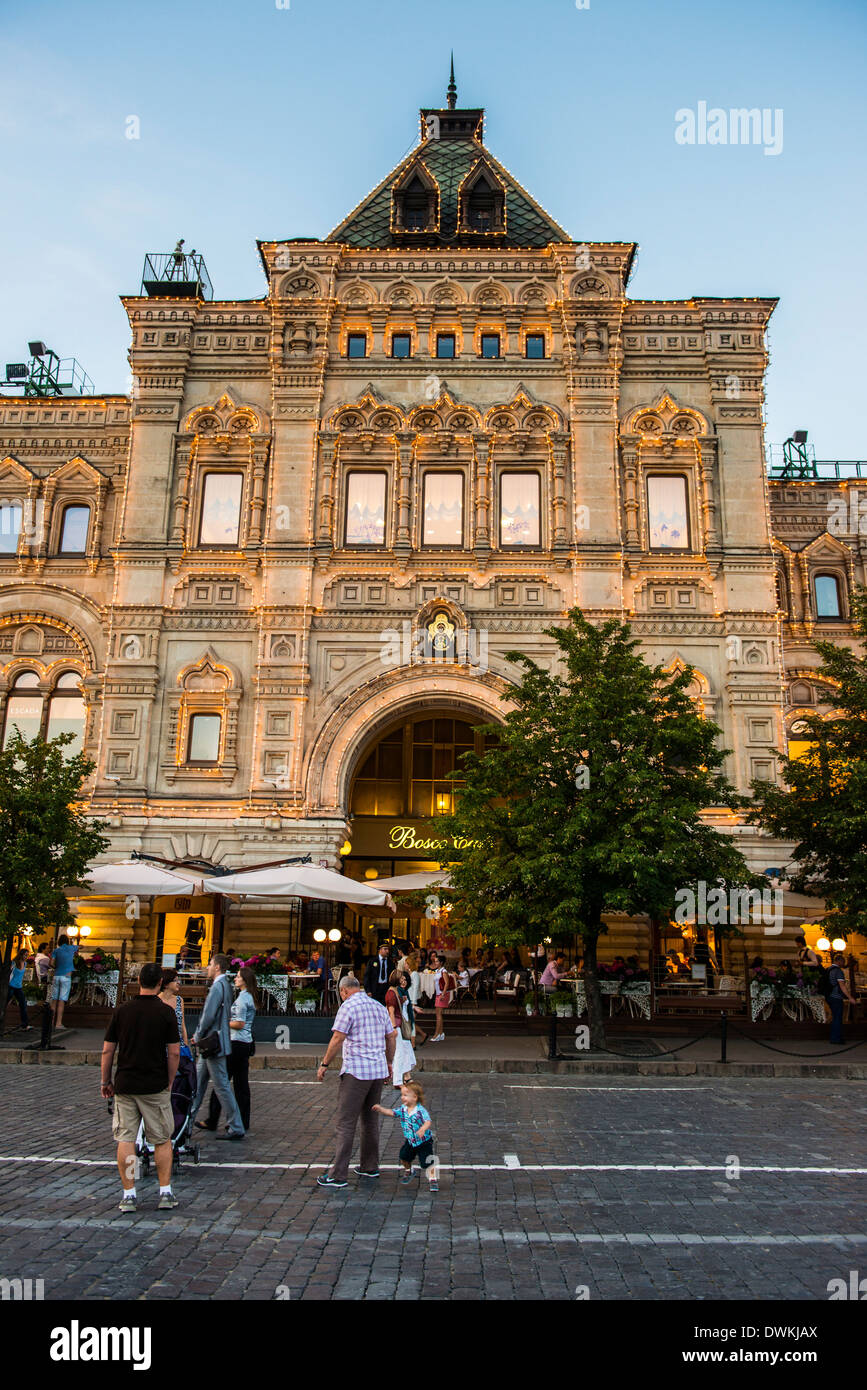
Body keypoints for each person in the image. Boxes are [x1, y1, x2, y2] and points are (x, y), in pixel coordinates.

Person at [101, 961, 180, 1213]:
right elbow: (174, 1053)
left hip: (125, 1084)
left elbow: (107, 1050)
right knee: (161, 1140)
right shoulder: (165, 1012)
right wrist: (169, 1081)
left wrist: (106, 1081)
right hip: (155, 1084)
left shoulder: (122, 1010)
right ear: (160, 983)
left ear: (139, 982)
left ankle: (129, 1194)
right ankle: (165, 1192)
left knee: (126, 1139)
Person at [315, 974, 396, 1189]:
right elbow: (391, 1036)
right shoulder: (378, 1006)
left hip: (356, 1072)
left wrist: (324, 1064)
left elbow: (338, 1038)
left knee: (346, 1122)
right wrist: (389, 1062)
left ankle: (338, 1174)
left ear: (343, 991)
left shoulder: (348, 1007)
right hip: (377, 1070)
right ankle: (370, 1166)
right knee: (370, 1121)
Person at [190, 954, 245, 1140]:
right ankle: (186, 1123)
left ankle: (236, 1125)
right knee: (196, 1084)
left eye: (210, 964)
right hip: (214, 1043)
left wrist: (197, 1035)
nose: (208, 967)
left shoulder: (217, 987)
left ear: (218, 968)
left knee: (221, 1086)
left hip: (212, 1044)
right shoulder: (226, 986)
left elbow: (208, 1016)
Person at [201, 966, 257, 1132]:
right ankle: (243, 1120)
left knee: (221, 1082)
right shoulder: (248, 997)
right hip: (245, 1043)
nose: (235, 979)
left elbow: (239, 1023)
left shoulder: (242, 1000)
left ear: (244, 980)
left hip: (236, 1042)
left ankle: (213, 1118)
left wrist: (223, 1022)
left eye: (238, 977)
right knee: (241, 1085)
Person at [373, 1080, 438, 1191]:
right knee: (404, 1157)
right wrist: (381, 1109)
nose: (402, 1098)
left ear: (415, 1097)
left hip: (424, 1141)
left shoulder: (420, 1111)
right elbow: (392, 1112)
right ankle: (409, 1170)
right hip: (411, 1140)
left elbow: (428, 1121)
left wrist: (422, 1129)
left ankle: (433, 1179)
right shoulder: (403, 1109)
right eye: (402, 1095)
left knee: (427, 1162)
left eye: (405, 1095)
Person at [384, 969, 418, 1087]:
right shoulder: (391, 993)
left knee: (401, 1051)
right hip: (396, 1025)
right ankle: (397, 1080)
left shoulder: (395, 992)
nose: (404, 981)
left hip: (398, 1024)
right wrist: (393, 1027)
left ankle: (399, 1077)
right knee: (398, 1053)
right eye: (401, 978)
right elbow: (391, 1011)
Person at [828, 952, 857, 1045]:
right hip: (836, 996)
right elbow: (842, 986)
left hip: (829, 996)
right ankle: (836, 1038)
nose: (844, 964)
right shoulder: (838, 971)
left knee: (834, 1017)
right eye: (843, 962)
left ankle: (834, 1037)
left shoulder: (828, 969)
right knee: (837, 1018)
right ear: (839, 961)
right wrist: (850, 998)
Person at [158, 969, 190, 1053]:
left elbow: (182, 1024)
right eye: (175, 980)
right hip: (160, 1046)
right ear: (166, 984)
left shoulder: (179, 1000)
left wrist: (186, 1043)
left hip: (179, 1045)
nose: (178, 982)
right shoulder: (156, 1001)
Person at [50, 934, 77, 1032]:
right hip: (66, 976)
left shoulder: (56, 950)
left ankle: (50, 1022)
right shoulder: (71, 948)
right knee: (62, 1000)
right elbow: (82, 946)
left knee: (54, 1000)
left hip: (57, 975)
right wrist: (75, 946)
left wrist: (56, 967)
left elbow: (51, 963)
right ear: (67, 941)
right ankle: (58, 1023)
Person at [430, 957, 456, 1043]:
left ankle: (436, 1034)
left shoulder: (443, 971)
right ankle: (440, 1033)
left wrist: (443, 994)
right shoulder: (438, 971)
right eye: (435, 961)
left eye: (437, 961)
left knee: (438, 1015)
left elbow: (447, 983)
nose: (435, 962)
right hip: (439, 994)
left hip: (442, 994)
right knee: (438, 1014)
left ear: (441, 963)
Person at [5, 951, 31, 1030]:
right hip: (11, 986)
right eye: (25, 955)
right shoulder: (14, 963)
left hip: (19, 987)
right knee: (4, 1004)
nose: (26, 957)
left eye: (27, 955)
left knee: (23, 1004)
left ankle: (25, 1025)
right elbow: (8, 973)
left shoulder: (25, 964)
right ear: (21, 954)